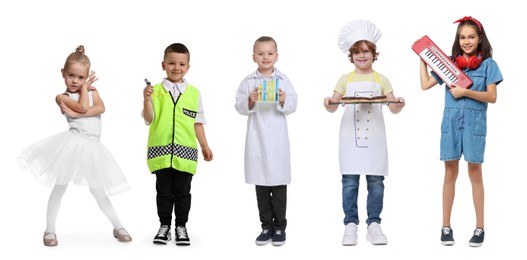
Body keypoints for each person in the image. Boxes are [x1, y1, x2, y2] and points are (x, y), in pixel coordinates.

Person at [18, 45, 132, 246]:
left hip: (93, 148)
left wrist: (75, 113)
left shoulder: (92, 91)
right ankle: (49, 230)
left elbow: (101, 108)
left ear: (86, 76)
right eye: (71, 76)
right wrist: (84, 93)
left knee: (98, 191)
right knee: (59, 187)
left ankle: (118, 226)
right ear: (63, 73)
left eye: (81, 78)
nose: (75, 81)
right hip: (72, 146)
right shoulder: (62, 97)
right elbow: (84, 106)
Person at [418, 16, 503, 247]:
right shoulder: (449, 65)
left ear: (480, 38)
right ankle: (446, 227)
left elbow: (492, 97)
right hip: (451, 124)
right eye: (462, 37)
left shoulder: (488, 65)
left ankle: (479, 228)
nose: (466, 41)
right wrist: (423, 59)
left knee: (475, 174)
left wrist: (466, 92)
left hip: (475, 125)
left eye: (471, 37)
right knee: (449, 174)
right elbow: (425, 85)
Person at [323, 20, 405, 246]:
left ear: (374, 54)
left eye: (366, 51)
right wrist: (327, 102)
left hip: (375, 141)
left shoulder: (381, 79)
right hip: (350, 139)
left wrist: (399, 102)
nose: (362, 56)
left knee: (376, 182)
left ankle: (374, 225)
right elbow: (332, 107)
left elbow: (393, 107)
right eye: (357, 52)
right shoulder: (345, 79)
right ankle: (350, 224)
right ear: (351, 55)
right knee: (349, 182)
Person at [142, 43, 213, 246]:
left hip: (186, 155)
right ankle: (164, 226)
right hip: (161, 153)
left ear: (188, 67)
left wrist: (205, 146)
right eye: (171, 63)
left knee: (183, 193)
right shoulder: (154, 91)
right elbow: (149, 118)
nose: (176, 67)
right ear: (163, 65)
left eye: (181, 64)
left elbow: (198, 123)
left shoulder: (194, 93)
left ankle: (181, 226)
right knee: (164, 193)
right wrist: (146, 100)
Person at [234, 36, 298, 246]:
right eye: (261, 53)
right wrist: (249, 101)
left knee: (279, 187)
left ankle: (280, 227)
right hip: (257, 139)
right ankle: (266, 226)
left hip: (277, 141)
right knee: (261, 187)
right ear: (254, 57)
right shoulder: (248, 81)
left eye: (270, 53)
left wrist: (282, 99)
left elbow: (293, 104)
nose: (265, 57)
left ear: (276, 56)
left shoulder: (283, 80)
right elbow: (239, 106)